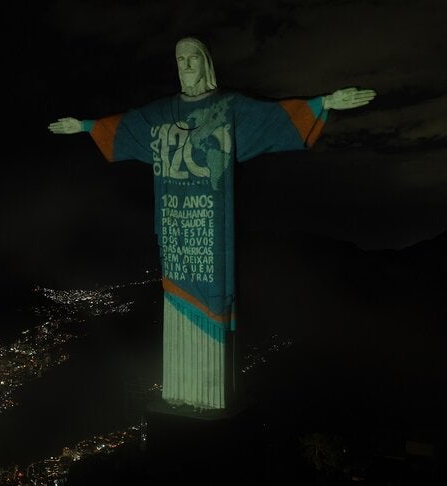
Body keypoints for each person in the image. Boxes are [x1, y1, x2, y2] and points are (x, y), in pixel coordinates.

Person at [49, 37, 375, 410]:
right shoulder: (164, 111)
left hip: (210, 226)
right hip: (176, 229)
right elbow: (129, 125)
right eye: (179, 59)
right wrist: (85, 125)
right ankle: (184, 392)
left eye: (192, 58)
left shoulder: (228, 107)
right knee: (174, 294)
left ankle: (210, 393)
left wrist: (325, 103)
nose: (186, 65)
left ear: (206, 64)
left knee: (216, 295)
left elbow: (272, 118)